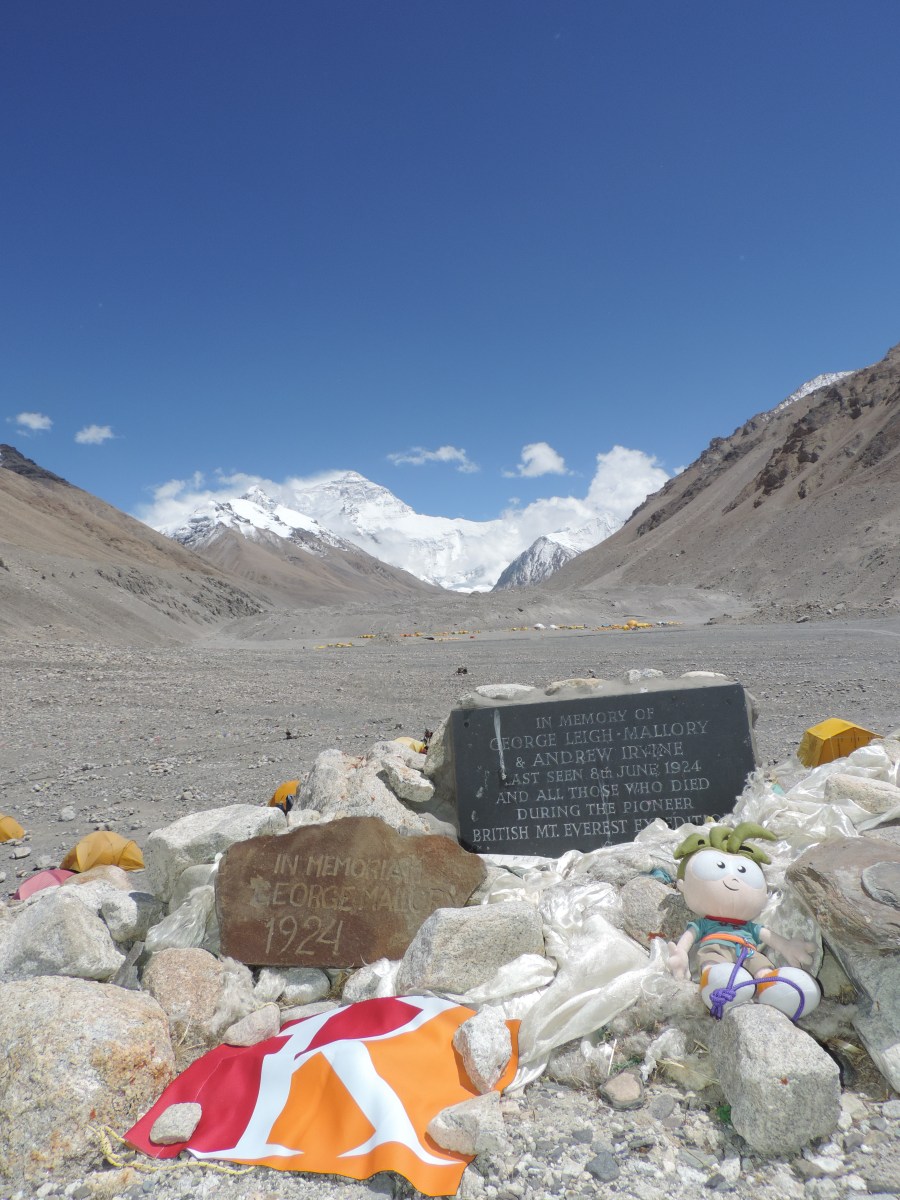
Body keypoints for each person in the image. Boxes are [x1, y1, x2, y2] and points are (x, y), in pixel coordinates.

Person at [666, 822, 821, 1019]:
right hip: (716, 950)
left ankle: (775, 989)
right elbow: (688, 938)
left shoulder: (749, 927)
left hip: (748, 951)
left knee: (762, 968)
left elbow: (772, 938)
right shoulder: (704, 925)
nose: (733, 879)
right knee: (713, 964)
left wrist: (789, 947)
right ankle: (714, 981)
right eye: (719, 868)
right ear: (683, 885)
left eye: (742, 871)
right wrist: (681, 955)